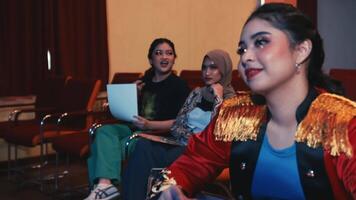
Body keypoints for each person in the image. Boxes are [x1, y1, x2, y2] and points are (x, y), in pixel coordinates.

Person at [147, 3, 356, 200]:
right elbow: (192, 161)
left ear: (301, 50)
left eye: (261, 42)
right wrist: (170, 187)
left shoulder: (343, 125)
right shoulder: (236, 116)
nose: (246, 57)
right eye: (242, 49)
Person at [122, 49, 236, 200]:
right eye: (204, 67)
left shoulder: (233, 101)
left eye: (213, 67)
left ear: (224, 69)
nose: (207, 72)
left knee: (161, 162)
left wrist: (218, 100)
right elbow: (178, 123)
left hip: (202, 152)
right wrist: (186, 136)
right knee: (143, 146)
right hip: (181, 142)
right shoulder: (197, 93)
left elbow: (219, 135)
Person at [84, 38, 190, 200]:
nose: (164, 57)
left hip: (159, 134)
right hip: (135, 128)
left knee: (107, 148)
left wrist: (149, 124)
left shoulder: (179, 85)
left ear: (174, 58)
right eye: (159, 53)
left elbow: (181, 122)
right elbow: (127, 112)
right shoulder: (143, 83)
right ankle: (105, 185)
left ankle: (104, 187)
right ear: (151, 59)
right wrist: (132, 94)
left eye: (169, 53)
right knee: (103, 131)